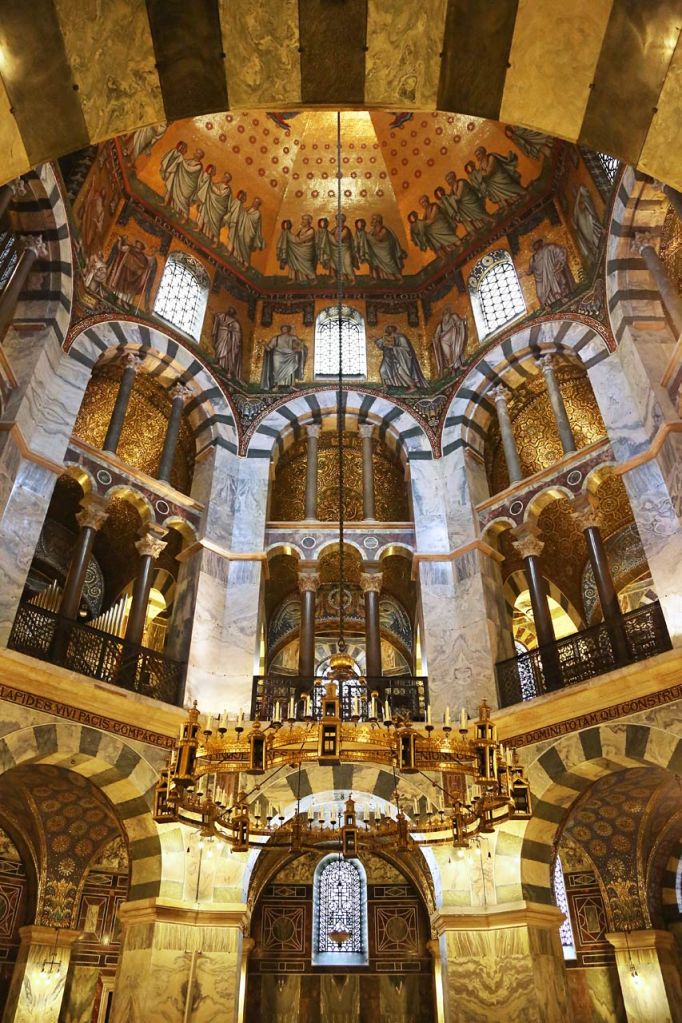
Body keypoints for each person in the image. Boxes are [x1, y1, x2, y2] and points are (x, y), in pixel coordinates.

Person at [105, 236, 156, 308]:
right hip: (124, 272)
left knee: (129, 289)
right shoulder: (129, 248)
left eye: (140, 245)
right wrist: (120, 240)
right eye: (137, 244)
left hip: (134, 275)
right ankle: (118, 299)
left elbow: (146, 264)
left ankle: (124, 301)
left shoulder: (142, 257)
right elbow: (120, 248)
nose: (138, 246)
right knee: (121, 286)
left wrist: (150, 261)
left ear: (142, 248)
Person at [525, 238, 576, 307]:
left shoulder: (549, 248)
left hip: (552, 273)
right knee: (540, 293)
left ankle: (562, 297)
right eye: (534, 244)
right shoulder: (533, 259)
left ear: (540, 242)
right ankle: (547, 306)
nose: (536, 245)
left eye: (537, 242)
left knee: (555, 281)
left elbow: (560, 251)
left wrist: (559, 263)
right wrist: (525, 273)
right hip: (541, 279)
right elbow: (530, 270)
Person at [374, 325, 426, 392]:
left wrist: (394, 348)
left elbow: (407, 349)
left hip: (399, 359)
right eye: (387, 329)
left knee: (401, 371)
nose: (388, 330)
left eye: (390, 329)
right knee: (382, 370)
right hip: (389, 359)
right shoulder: (386, 338)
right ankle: (385, 386)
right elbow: (381, 346)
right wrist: (378, 341)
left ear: (394, 329)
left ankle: (412, 386)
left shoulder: (401, 338)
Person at [160, 143, 204, 221]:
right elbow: (181, 164)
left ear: (200, 156)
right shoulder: (189, 160)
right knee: (170, 189)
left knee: (183, 200)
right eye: (196, 152)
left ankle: (186, 217)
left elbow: (189, 169)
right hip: (180, 181)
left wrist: (181, 160)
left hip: (188, 186)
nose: (195, 153)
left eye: (198, 153)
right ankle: (166, 202)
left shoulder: (199, 166)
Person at [260, 325, 308, 390]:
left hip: (290, 355)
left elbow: (301, 344)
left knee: (290, 369)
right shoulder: (275, 338)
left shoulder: (293, 337)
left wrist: (298, 349)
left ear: (288, 329)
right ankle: (277, 386)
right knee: (277, 371)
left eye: (286, 328)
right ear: (281, 329)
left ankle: (291, 385)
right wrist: (264, 344)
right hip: (277, 356)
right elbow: (269, 348)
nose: (284, 329)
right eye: (283, 328)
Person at [195, 168, 234, 244]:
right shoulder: (219, 184)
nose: (224, 178)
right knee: (204, 209)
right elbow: (213, 188)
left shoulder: (227, 190)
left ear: (228, 180)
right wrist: (210, 184)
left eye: (226, 177)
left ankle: (216, 241)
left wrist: (211, 185)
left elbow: (219, 194)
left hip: (218, 210)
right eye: (224, 176)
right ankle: (199, 227)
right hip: (211, 205)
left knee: (215, 224)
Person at [362, 213, 406, 280]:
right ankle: (382, 277)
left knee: (389, 263)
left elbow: (379, 239)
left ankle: (398, 277)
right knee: (376, 262)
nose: (372, 221)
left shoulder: (384, 230)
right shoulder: (372, 231)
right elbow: (369, 239)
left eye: (373, 219)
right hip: (377, 251)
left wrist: (368, 236)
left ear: (378, 221)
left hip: (385, 251)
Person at [277, 214, 317, 281]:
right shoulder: (302, 230)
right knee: (292, 257)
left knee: (305, 264)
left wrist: (288, 234)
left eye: (304, 220)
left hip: (305, 251)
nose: (303, 221)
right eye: (303, 219)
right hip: (299, 249)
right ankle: (294, 278)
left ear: (309, 221)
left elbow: (299, 240)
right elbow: (296, 239)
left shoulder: (311, 231)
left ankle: (313, 278)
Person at [432, 306, 468, 376]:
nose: (446, 318)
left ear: (449, 315)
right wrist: (435, 339)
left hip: (453, 339)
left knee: (456, 351)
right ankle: (452, 370)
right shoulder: (440, 325)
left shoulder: (453, 318)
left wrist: (462, 321)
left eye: (447, 316)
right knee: (448, 356)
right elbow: (436, 335)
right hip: (444, 342)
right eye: (445, 316)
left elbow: (459, 322)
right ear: (443, 316)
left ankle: (460, 366)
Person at [231, 195, 265, 267]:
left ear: (258, 205)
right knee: (238, 243)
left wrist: (244, 213)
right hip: (242, 231)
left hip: (249, 234)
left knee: (245, 249)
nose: (254, 203)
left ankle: (246, 265)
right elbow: (243, 212)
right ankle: (237, 260)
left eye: (256, 203)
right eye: (254, 202)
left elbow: (251, 219)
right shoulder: (250, 208)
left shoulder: (257, 213)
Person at [572, 184, 603, 264]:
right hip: (585, 228)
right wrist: (579, 193)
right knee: (590, 241)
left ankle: (598, 249)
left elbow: (590, 211)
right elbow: (576, 215)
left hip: (589, 224)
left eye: (575, 192)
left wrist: (580, 192)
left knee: (594, 237)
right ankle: (596, 253)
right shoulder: (576, 211)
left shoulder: (584, 206)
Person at [212, 306, 242, 378]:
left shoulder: (234, 322)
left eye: (232, 311)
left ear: (233, 313)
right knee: (220, 349)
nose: (230, 311)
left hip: (229, 340)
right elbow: (217, 317)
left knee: (229, 354)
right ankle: (219, 364)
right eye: (229, 310)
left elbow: (237, 333)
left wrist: (231, 331)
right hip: (220, 335)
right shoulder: (222, 316)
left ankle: (229, 371)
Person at [329, 213, 358, 282]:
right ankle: (338, 278)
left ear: (342, 221)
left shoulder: (345, 229)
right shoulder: (336, 228)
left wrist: (331, 237)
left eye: (339, 220)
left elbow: (338, 239)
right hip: (336, 251)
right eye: (337, 220)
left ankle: (352, 279)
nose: (337, 222)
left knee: (347, 265)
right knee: (333, 264)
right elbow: (329, 234)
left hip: (345, 250)